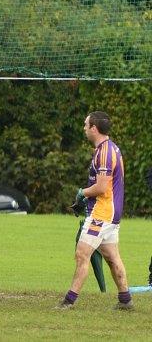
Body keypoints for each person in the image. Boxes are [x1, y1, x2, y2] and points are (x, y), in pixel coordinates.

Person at [57, 111, 132, 310]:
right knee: (111, 256)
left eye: (85, 124)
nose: (83, 128)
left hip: (102, 213)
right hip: (111, 214)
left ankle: (69, 301)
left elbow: (101, 187)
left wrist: (82, 193)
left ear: (94, 128)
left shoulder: (105, 153)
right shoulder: (110, 148)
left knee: (82, 255)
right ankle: (125, 300)